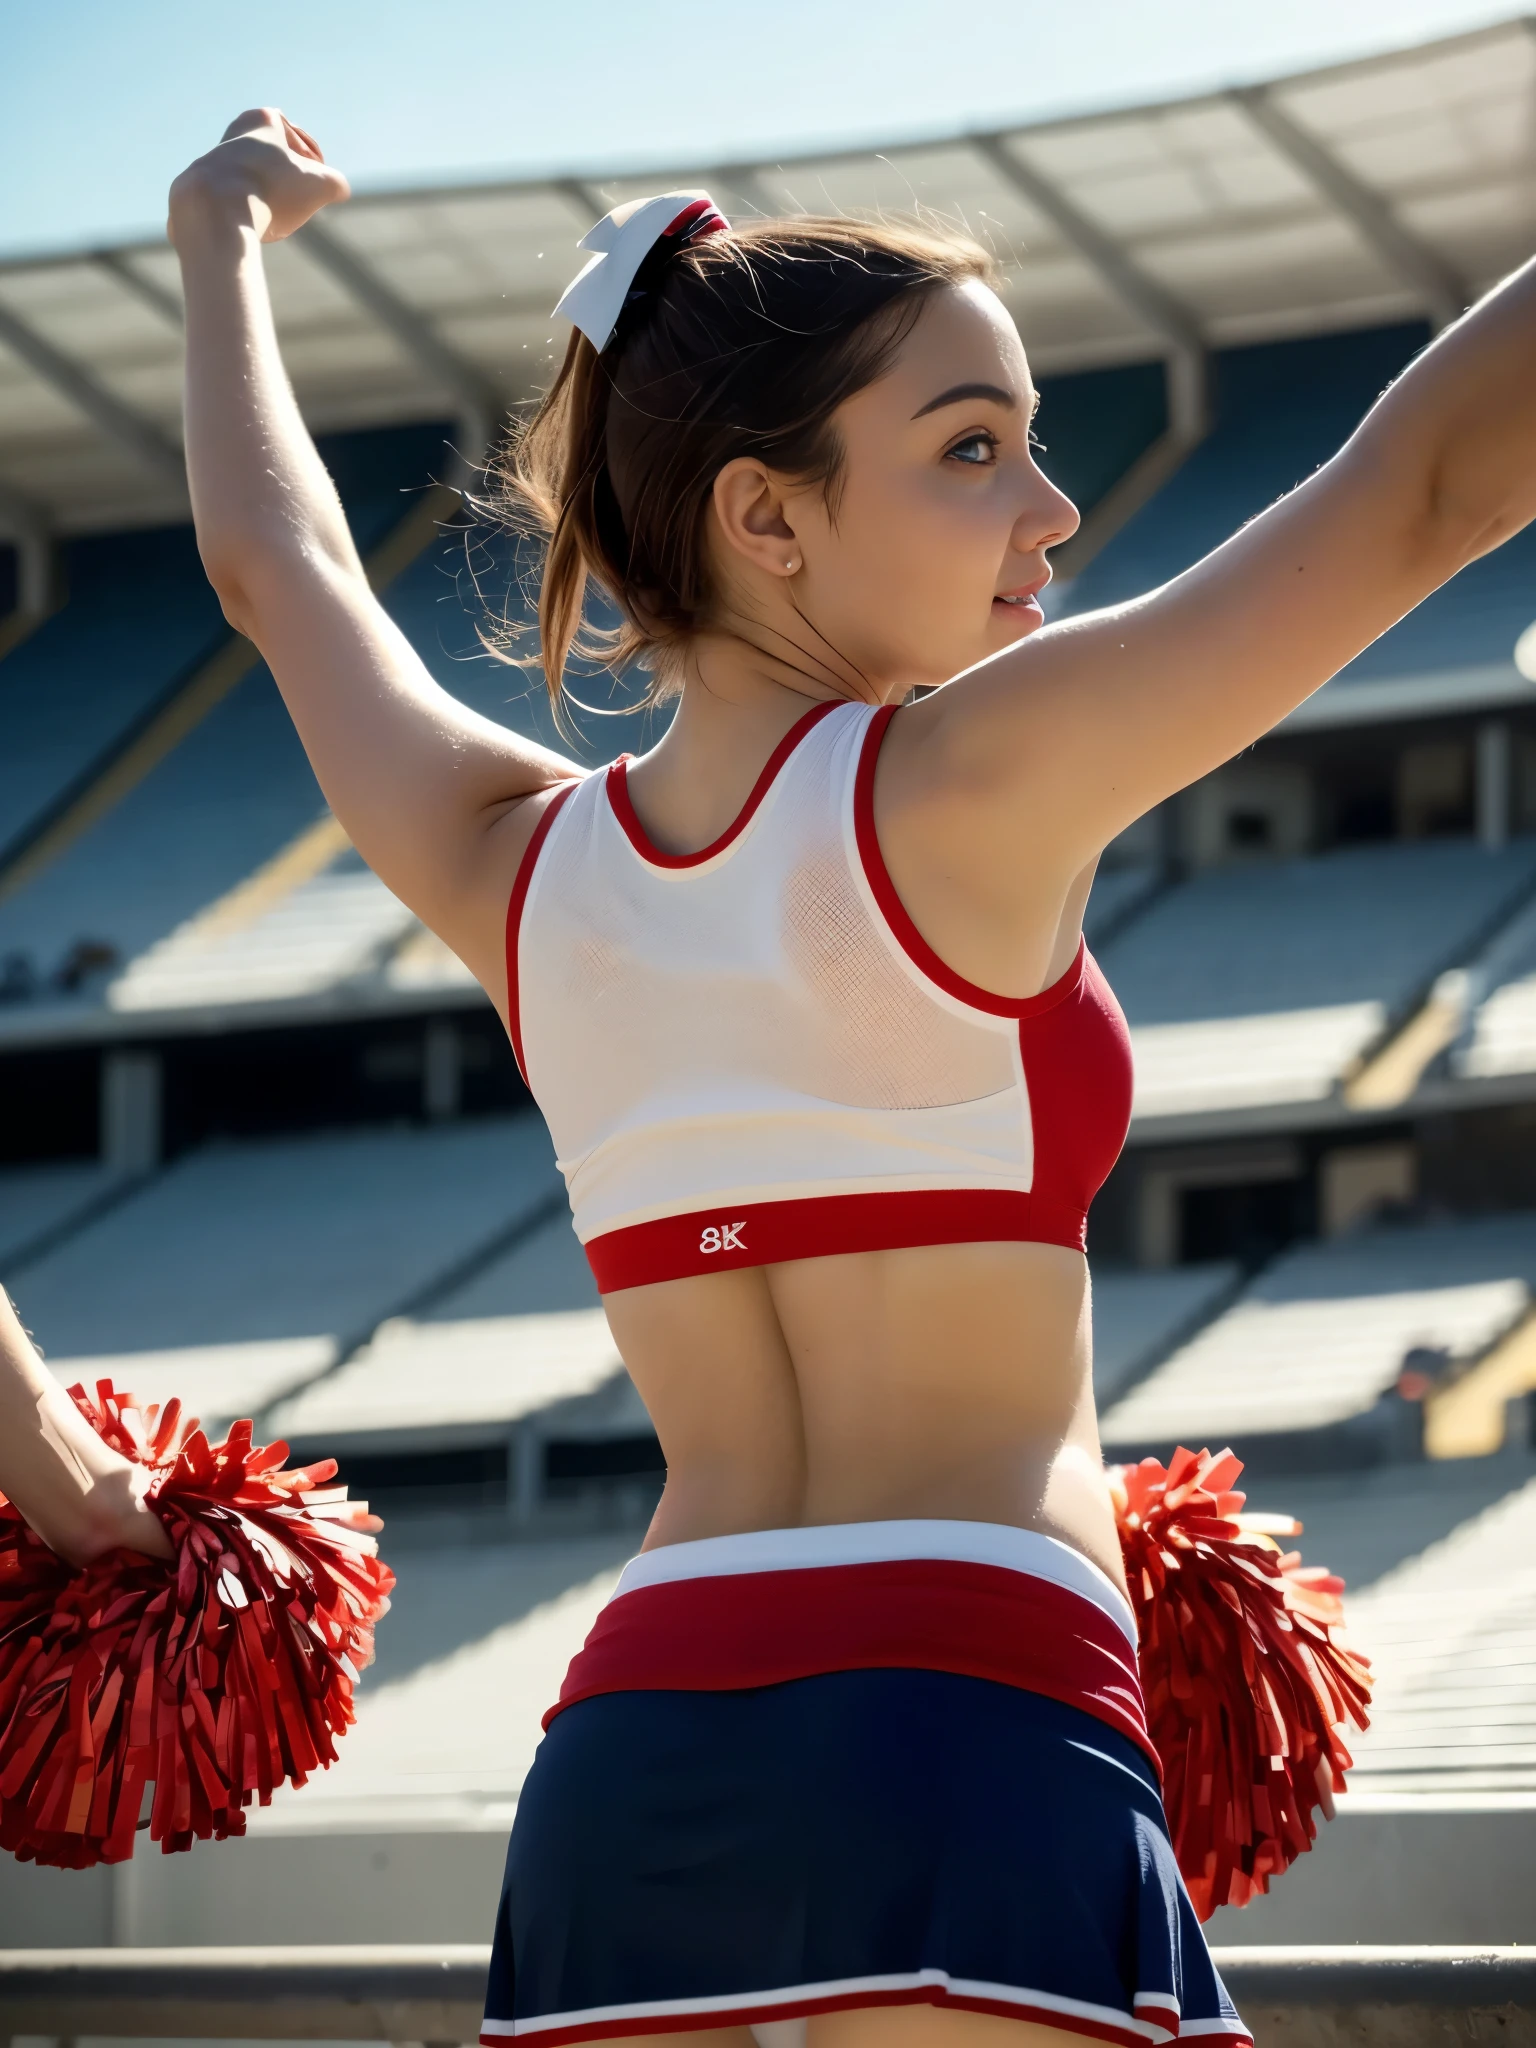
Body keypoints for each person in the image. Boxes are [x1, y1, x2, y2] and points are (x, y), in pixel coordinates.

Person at [5, 96, 1535, 2046]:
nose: (1054, 510)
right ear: (767, 515)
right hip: (972, 1702)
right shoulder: (981, 774)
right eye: (974, 448)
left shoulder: (512, 867)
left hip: (631, 1752)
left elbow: (275, 567)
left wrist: (215, 244)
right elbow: (1421, 492)